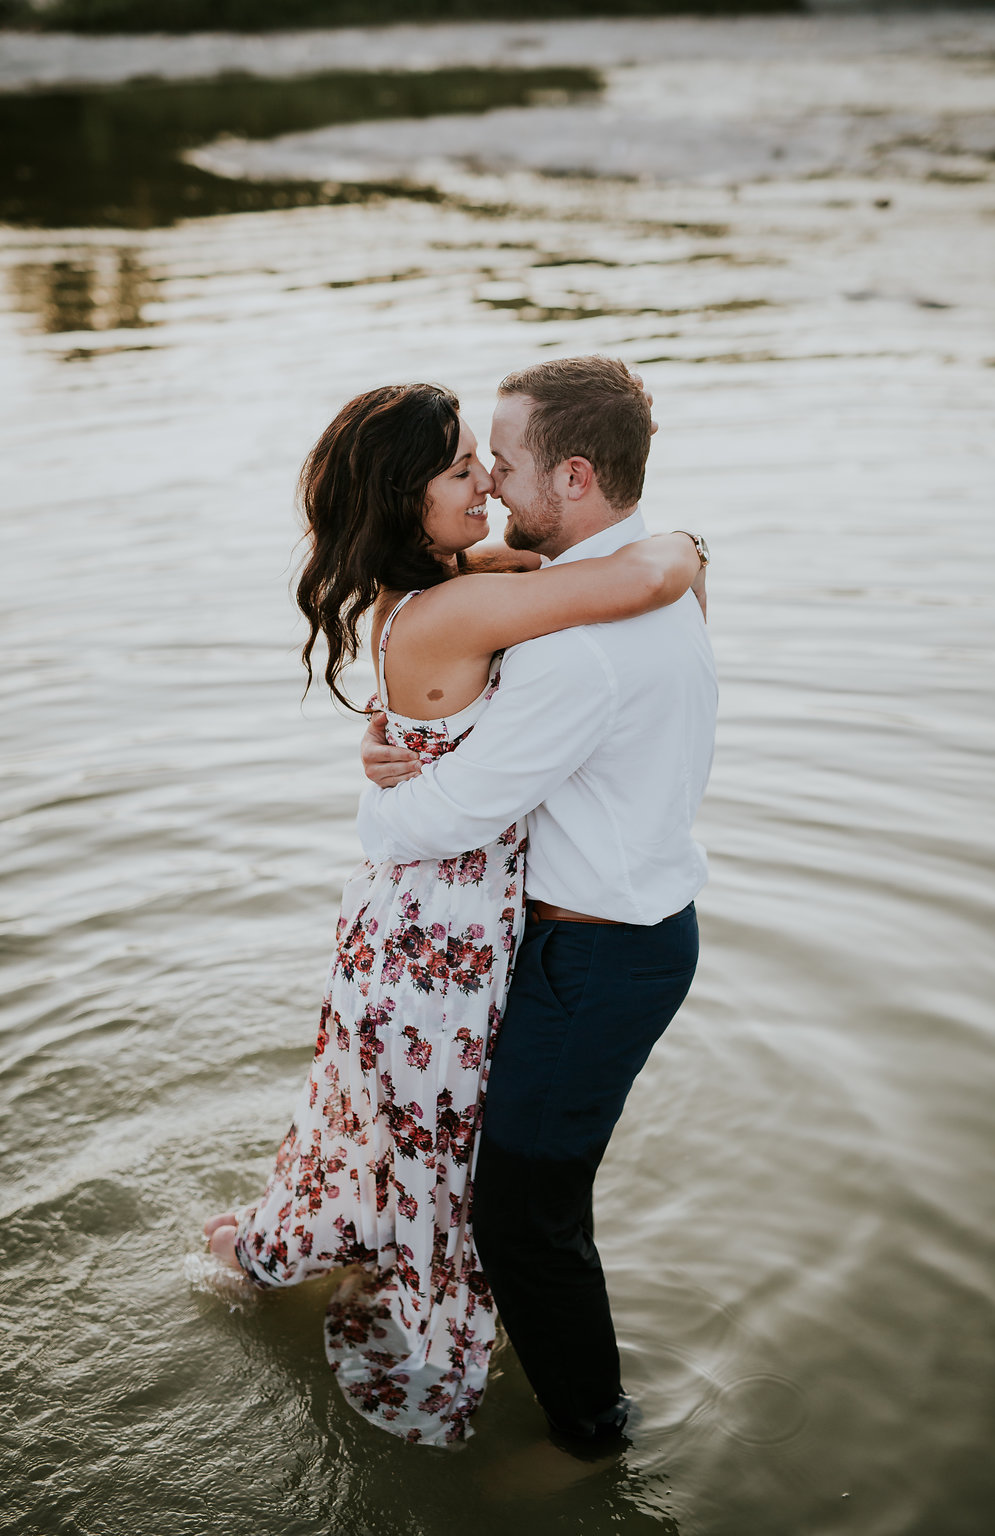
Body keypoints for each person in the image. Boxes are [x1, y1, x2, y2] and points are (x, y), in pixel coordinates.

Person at [202, 377, 702, 1447]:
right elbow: (646, 573)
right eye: (462, 466)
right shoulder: (475, 600)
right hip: (441, 941)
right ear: (404, 499)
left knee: (432, 1157)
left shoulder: (453, 584)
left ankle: (281, 1255)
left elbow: (606, 581)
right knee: (450, 1167)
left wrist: (391, 763)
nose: (485, 479)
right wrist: (681, 551)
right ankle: (530, 1383)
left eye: (494, 459)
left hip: (441, 935)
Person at [357, 355, 718, 1450]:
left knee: (525, 1220)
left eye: (504, 465)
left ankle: (589, 1435)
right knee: (528, 1198)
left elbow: (439, 822)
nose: (493, 490)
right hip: (622, 934)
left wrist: (387, 785)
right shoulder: (647, 580)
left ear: (571, 475)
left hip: (594, 961)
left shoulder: (578, 654)